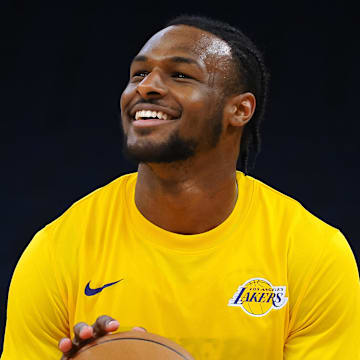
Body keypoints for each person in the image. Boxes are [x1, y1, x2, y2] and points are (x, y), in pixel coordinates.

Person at [2, 15, 360, 360]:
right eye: (139, 73)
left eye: (180, 75)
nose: (146, 86)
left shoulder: (311, 253)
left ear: (240, 110)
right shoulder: (58, 249)